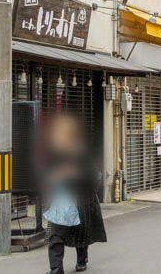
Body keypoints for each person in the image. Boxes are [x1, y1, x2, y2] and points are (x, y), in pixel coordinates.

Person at [43, 115, 107, 274]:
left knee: (80, 231)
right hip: (61, 198)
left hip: (81, 198)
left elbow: (94, 176)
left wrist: (75, 173)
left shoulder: (82, 152)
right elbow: (47, 174)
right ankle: (56, 268)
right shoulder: (54, 153)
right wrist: (55, 176)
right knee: (56, 233)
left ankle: (82, 259)